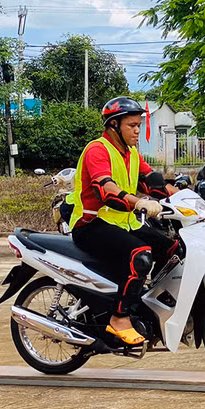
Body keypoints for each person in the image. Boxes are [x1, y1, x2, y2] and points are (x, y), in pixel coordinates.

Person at [70, 97, 179, 346]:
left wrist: (179, 190)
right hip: (91, 224)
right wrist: (139, 202)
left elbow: (150, 179)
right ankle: (119, 317)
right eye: (132, 125)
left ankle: (149, 301)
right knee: (140, 255)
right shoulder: (97, 150)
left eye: (139, 125)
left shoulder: (130, 152)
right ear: (114, 126)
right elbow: (105, 188)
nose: (138, 131)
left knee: (172, 248)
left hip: (123, 222)